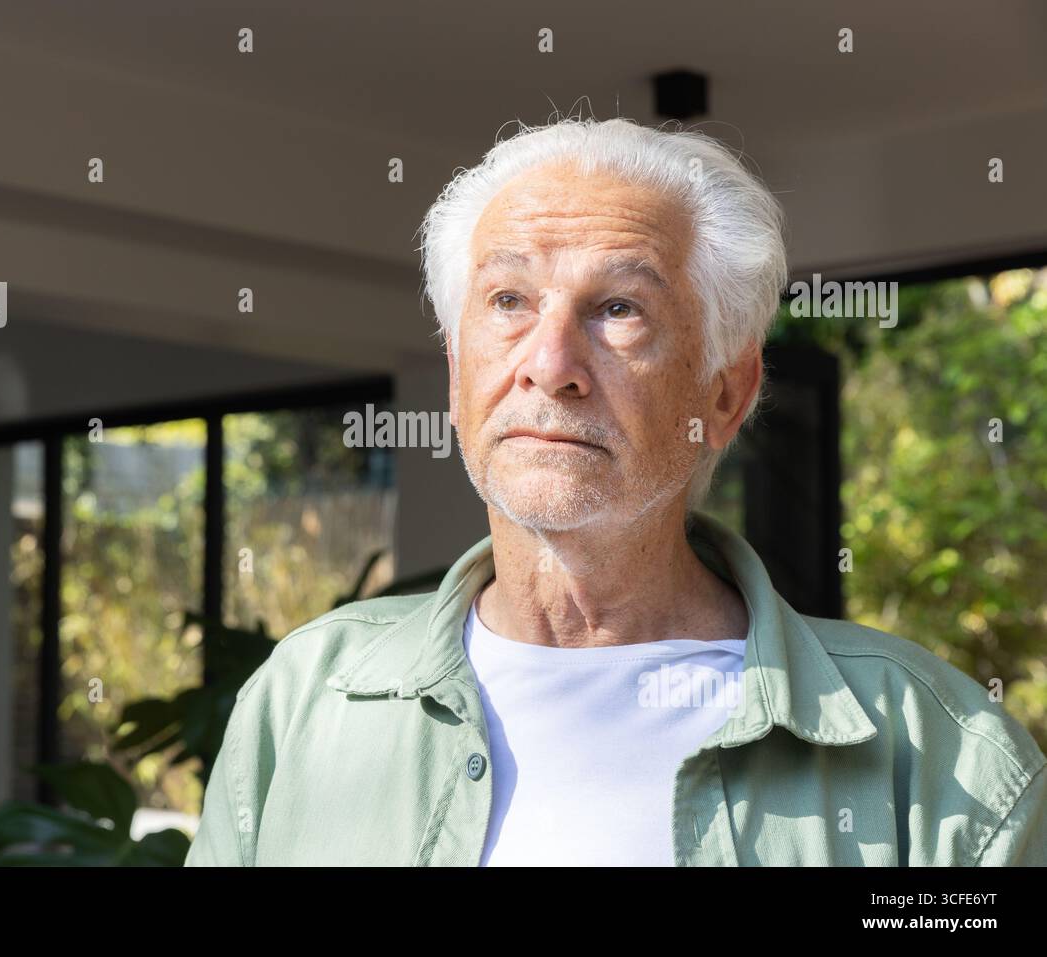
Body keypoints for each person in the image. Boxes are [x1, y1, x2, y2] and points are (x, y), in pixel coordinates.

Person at [184, 117, 1046, 866]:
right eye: (509, 298)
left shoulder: (938, 761)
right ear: (456, 372)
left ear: (725, 392)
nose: (550, 365)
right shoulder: (306, 697)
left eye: (619, 309)